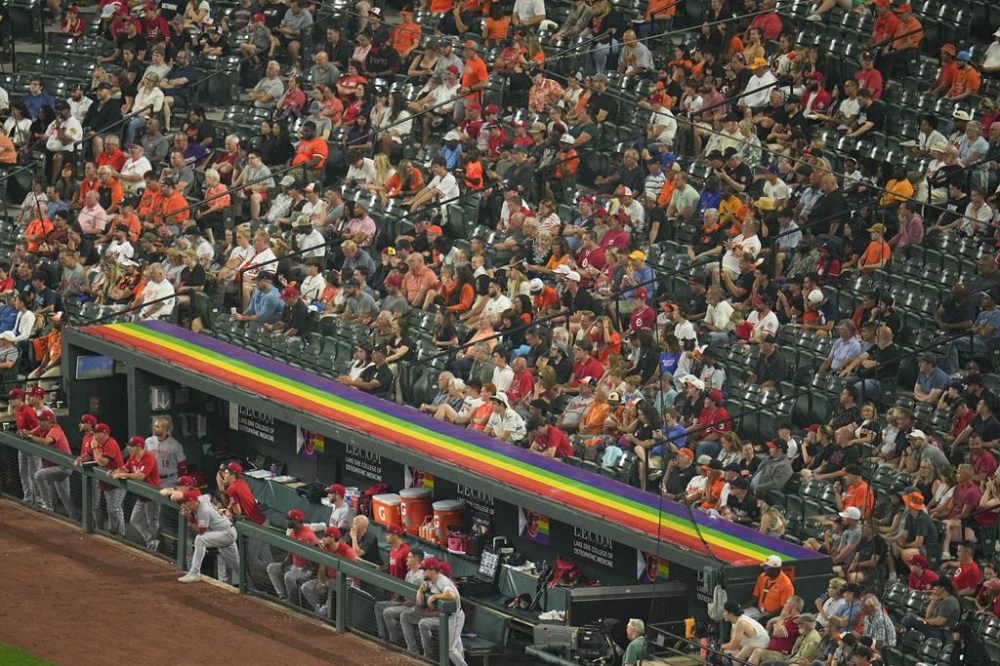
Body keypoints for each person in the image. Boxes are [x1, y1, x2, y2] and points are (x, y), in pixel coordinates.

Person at [400, 557, 468, 666]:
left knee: (450, 650)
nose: (423, 572)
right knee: (455, 647)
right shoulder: (430, 580)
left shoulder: (442, 581)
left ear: (432, 570)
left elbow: (451, 595)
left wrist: (435, 596)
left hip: (455, 617)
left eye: (425, 570)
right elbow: (424, 586)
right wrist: (419, 591)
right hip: (445, 617)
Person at [176, 489, 241, 586]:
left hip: (225, 533)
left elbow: (201, 532)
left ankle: (194, 573)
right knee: (237, 565)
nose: (184, 504)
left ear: (194, 501)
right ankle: (251, 586)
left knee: (200, 539)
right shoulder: (201, 500)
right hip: (224, 531)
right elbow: (208, 495)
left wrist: (189, 517)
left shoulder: (203, 510)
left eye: (187, 502)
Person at [112, 435, 162, 551]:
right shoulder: (133, 457)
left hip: (152, 495)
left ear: (139, 447)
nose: (129, 448)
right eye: (129, 446)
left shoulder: (149, 457)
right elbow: (125, 468)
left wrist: (123, 475)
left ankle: (156, 545)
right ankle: (151, 540)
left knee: (152, 522)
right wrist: (116, 471)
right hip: (141, 496)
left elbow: (141, 476)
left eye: (131, 446)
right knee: (134, 519)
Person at [265, 509, 319, 602]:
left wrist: (311, 568)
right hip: (294, 566)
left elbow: (318, 552)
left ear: (296, 521)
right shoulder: (292, 533)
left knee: (288, 576)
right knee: (272, 568)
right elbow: (291, 552)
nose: (287, 521)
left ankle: (292, 601)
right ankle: (282, 597)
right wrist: (285, 563)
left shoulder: (308, 535)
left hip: (305, 570)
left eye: (289, 519)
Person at [27, 408, 72, 516]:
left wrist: (30, 436)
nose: (39, 422)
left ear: (50, 422)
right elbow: (29, 433)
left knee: (39, 475)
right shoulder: (41, 428)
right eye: (39, 420)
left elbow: (47, 441)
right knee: (64, 497)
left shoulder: (55, 429)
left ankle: (47, 506)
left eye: (42, 420)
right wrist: (24, 433)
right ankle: (71, 517)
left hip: (63, 467)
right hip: (52, 467)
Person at [379, 547, 426, 643]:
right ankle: (383, 636)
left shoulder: (420, 576)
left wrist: (401, 604)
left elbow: (416, 600)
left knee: (388, 612)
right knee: (379, 606)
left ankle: (394, 640)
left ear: (416, 559)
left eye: (409, 557)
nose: (406, 559)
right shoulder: (409, 573)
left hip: (412, 606)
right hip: (404, 602)